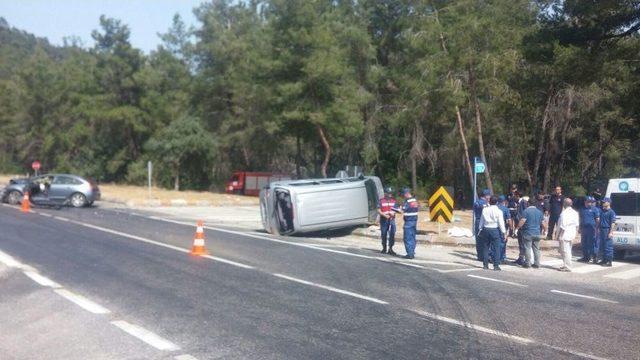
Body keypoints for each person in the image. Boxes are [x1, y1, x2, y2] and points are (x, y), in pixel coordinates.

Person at [516, 197, 546, 268]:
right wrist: (545, 230)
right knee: (536, 249)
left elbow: (522, 221)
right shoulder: (539, 212)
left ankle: (527, 263)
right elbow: (543, 222)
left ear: (528, 203)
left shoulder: (526, 211)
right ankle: (537, 263)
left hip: (528, 233)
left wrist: (517, 228)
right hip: (537, 233)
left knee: (527, 248)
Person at [478, 196, 506, 270]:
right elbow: (501, 223)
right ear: (497, 203)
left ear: (489, 202)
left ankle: (485, 265)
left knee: (486, 247)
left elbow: (482, 220)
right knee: (496, 248)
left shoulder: (485, 210)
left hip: (486, 229)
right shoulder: (499, 211)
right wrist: (504, 232)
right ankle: (496, 265)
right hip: (495, 229)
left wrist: (480, 228)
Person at [555, 198, 579, 272]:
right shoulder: (575, 212)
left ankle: (568, 267)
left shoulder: (564, 213)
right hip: (572, 233)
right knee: (568, 250)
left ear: (564, 204)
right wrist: (576, 234)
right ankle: (566, 264)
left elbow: (563, 225)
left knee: (565, 251)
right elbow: (577, 225)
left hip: (565, 234)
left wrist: (560, 235)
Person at [578, 196, 600, 263]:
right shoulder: (582, 209)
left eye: (591, 202)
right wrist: (579, 227)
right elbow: (580, 219)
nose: (589, 203)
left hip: (592, 229)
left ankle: (594, 257)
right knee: (584, 243)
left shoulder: (595, 209)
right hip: (584, 228)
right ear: (585, 202)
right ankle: (586, 257)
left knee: (592, 243)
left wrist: (597, 228)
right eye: (588, 202)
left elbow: (597, 219)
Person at [378, 187, 398, 255]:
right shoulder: (381, 200)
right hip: (384, 220)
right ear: (385, 193)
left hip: (391, 220)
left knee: (392, 234)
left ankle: (390, 248)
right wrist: (384, 215)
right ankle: (384, 248)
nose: (390, 194)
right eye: (389, 193)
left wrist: (394, 213)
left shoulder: (394, 201)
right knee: (384, 234)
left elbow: (396, 209)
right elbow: (378, 210)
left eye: (391, 193)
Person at [400, 188, 419, 259]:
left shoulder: (408, 202)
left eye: (404, 194)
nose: (403, 196)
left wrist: (399, 209)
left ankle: (410, 254)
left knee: (407, 238)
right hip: (414, 221)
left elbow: (403, 210)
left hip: (408, 221)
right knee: (412, 237)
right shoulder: (415, 200)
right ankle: (412, 251)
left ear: (406, 194)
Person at [597, 198, 616, 267]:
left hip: (607, 230)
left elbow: (613, 223)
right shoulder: (602, 211)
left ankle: (609, 261)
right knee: (602, 245)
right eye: (603, 202)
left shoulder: (611, 212)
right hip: (602, 229)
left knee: (608, 246)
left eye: (604, 202)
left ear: (609, 203)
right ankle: (604, 259)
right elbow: (599, 221)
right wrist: (598, 228)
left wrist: (611, 232)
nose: (603, 203)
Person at [473, 189, 491, 261]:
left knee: (478, 240)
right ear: (486, 196)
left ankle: (480, 256)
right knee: (486, 240)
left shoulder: (476, 202)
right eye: (489, 195)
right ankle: (486, 256)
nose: (489, 197)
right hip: (484, 222)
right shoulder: (486, 204)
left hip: (477, 221)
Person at [514, 195, 529, 265]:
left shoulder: (523, 204)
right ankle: (521, 258)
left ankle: (522, 259)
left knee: (522, 243)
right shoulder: (524, 205)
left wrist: (517, 228)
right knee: (521, 244)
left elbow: (521, 217)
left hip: (522, 227)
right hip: (522, 227)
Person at [497, 195, 512, 263]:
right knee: (503, 242)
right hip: (503, 227)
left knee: (494, 242)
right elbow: (509, 220)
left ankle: (493, 256)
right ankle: (501, 258)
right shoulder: (506, 209)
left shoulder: (495, 207)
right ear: (504, 201)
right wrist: (511, 228)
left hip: (494, 227)